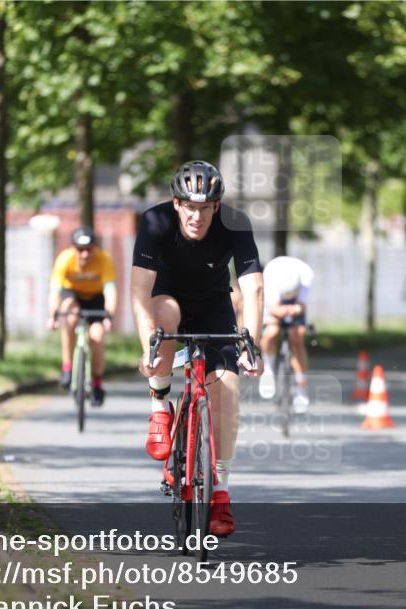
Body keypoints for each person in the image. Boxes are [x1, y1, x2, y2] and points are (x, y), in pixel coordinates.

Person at [131, 160, 264, 537]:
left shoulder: (235, 224)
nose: (197, 216)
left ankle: (219, 489)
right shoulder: (155, 222)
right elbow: (140, 291)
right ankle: (160, 405)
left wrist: (250, 343)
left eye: (206, 208)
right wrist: (149, 349)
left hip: (214, 306)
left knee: (227, 390)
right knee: (164, 312)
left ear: (217, 207)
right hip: (168, 300)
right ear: (177, 204)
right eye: (190, 207)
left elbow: (253, 287)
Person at [48, 227, 117, 406]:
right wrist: (52, 316)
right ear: (72, 248)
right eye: (80, 249)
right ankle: (67, 368)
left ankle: (97, 383)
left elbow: (110, 291)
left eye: (89, 249)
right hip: (73, 295)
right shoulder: (64, 259)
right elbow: (54, 292)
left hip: (96, 298)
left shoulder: (104, 259)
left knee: (97, 336)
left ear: (95, 248)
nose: (85, 254)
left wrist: (109, 316)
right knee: (69, 316)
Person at [259, 256, 315, 414]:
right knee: (271, 332)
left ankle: (301, 386)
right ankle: (268, 368)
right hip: (274, 301)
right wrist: (281, 312)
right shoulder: (270, 276)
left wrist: (295, 309)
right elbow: (274, 308)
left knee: (296, 337)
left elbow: (301, 306)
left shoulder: (306, 276)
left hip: (296, 303)